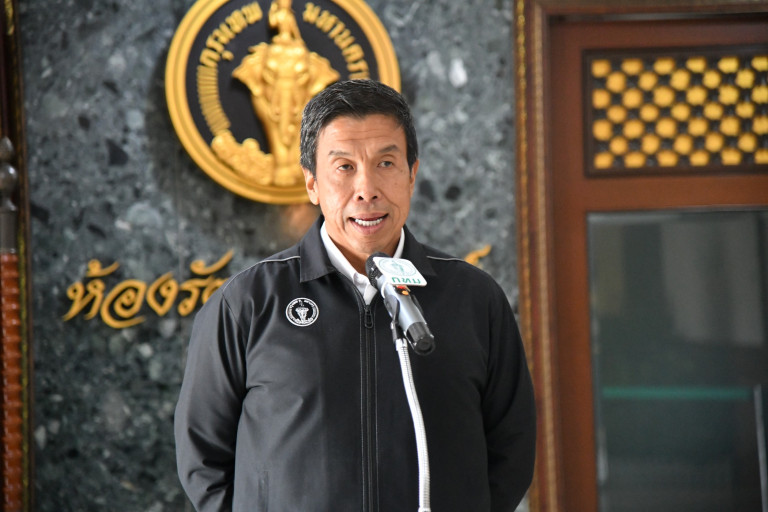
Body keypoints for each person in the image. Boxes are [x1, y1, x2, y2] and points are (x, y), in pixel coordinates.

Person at [174, 79, 536, 511]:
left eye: (386, 163)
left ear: (412, 175)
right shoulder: (248, 302)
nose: (366, 189)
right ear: (312, 183)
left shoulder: (474, 298)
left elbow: (511, 450)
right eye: (344, 167)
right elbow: (203, 458)